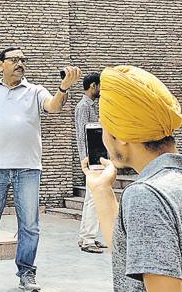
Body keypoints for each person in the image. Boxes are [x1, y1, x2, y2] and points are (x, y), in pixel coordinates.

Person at [0, 47, 82, 292]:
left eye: (22, 60)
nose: (19, 63)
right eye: (14, 60)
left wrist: (64, 87)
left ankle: (26, 273)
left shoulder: (35, 91)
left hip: (28, 168)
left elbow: (54, 107)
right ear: (0, 65)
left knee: (29, 225)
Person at [83, 65, 182, 292]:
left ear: (122, 137)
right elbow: (128, 253)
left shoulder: (147, 195)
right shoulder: (167, 185)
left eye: (105, 127)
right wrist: (101, 190)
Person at [73, 72, 105, 254]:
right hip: (91, 161)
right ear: (93, 86)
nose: (102, 90)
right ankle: (88, 240)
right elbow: (82, 135)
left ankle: (85, 236)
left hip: (96, 159)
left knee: (90, 199)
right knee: (94, 199)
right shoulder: (83, 107)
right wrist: (86, 161)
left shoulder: (93, 106)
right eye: (100, 86)